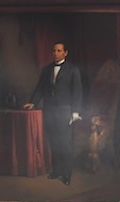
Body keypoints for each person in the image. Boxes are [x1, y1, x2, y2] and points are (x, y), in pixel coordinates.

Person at [23, 41, 83, 186]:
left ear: (65, 53)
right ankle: (56, 170)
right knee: (54, 142)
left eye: (59, 51)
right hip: (49, 111)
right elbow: (40, 88)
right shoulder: (47, 69)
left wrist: (75, 112)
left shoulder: (73, 69)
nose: (55, 53)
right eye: (54, 51)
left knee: (65, 144)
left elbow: (77, 91)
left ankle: (66, 174)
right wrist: (33, 102)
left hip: (65, 111)